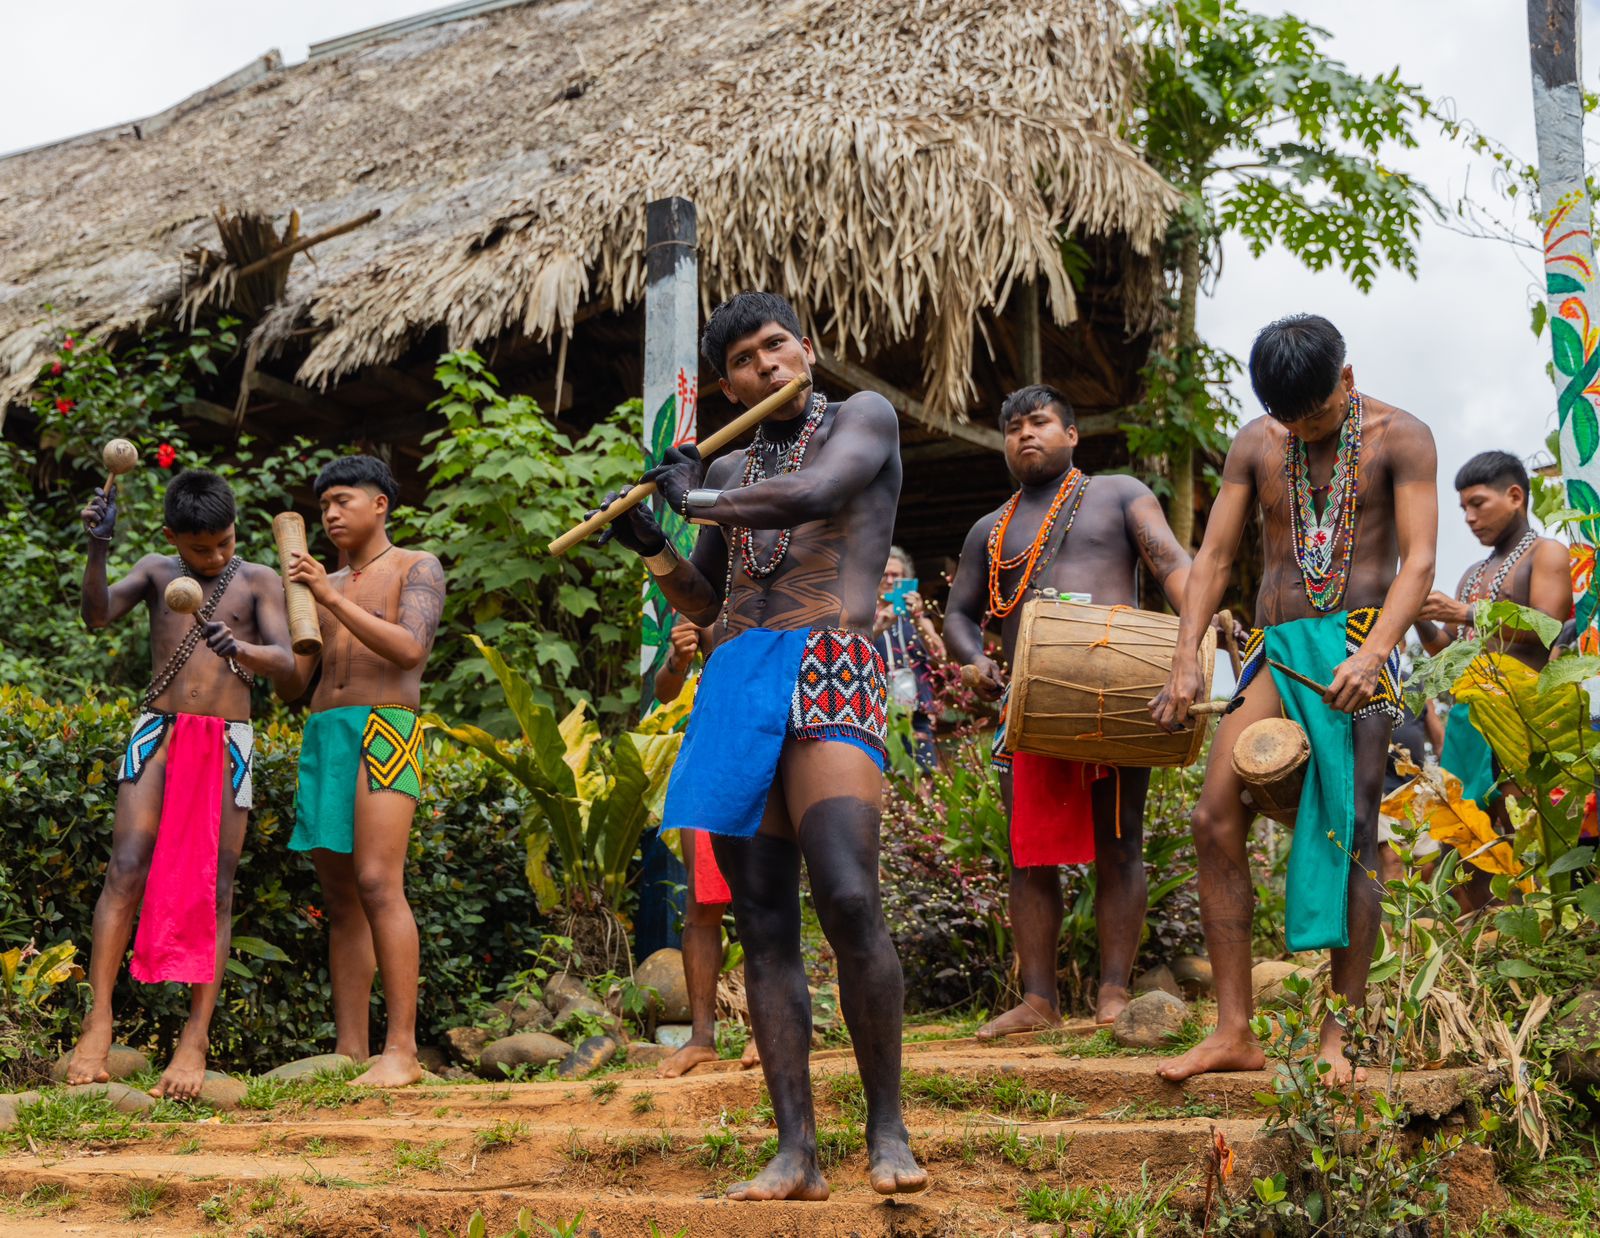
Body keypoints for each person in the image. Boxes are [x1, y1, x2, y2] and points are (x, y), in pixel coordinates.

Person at [596, 290, 925, 1201]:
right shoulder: (731, 460)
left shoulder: (864, 418)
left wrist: (698, 492)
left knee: (850, 897)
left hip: (831, 658)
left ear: (807, 350)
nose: (765, 366)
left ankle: (887, 1127)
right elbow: (704, 602)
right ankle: (796, 1153)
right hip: (738, 676)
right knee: (764, 920)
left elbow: (820, 493)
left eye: (777, 346)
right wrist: (655, 543)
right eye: (744, 360)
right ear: (725, 383)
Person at [1151, 314, 1437, 1083]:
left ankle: (1339, 1038)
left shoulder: (1402, 437)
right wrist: (1187, 657)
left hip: (1360, 642)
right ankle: (1234, 1031)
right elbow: (1212, 557)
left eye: (1315, 416)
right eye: (1288, 419)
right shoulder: (1256, 442)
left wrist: (1376, 654)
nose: (1301, 432)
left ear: (1347, 380)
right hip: (1276, 651)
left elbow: (1419, 561)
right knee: (1213, 815)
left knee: (1357, 826)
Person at [943, 384, 1194, 1035]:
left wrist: (1198, 630)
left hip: (1113, 688)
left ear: (1072, 433)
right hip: (1026, 703)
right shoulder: (987, 530)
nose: (1026, 434)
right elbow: (959, 617)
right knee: (1029, 852)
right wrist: (974, 660)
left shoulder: (1116, 492)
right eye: (1014, 427)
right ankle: (1038, 999)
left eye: (1041, 421)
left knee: (1120, 840)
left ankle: (1113, 991)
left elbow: (1169, 561)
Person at [67, 470, 294, 1100]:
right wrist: (98, 547)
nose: (216, 556)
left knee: (217, 885)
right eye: (200, 548)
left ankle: (195, 1040)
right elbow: (95, 614)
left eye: (224, 542)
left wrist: (241, 649)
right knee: (126, 866)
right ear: (172, 536)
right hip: (157, 734)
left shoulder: (257, 580)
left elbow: (290, 662)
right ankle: (99, 1021)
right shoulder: (154, 570)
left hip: (228, 741)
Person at [277, 456, 446, 1089]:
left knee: (379, 881)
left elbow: (410, 649)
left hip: (386, 727)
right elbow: (296, 683)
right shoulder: (318, 587)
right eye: (323, 507)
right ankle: (349, 1052)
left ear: (381, 504)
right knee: (342, 899)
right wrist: (244, 641)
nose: (330, 514)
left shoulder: (415, 566)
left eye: (343, 500)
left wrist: (327, 596)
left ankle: (400, 1050)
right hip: (325, 731)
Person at [1413, 451, 1569, 904]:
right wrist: (1414, 611)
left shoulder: (1547, 553)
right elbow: (1446, 649)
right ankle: (1484, 943)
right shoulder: (1471, 574)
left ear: (1515, 496)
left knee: (1523, 828)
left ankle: (1541, 933)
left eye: (1478, 503)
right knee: (1463, 833)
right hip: (1469, 720)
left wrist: (1466, 612)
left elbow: (1549, 626)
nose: (1468, 517)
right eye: (1463, 507)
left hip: (1526, 719)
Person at [651, 617, 759, 1077]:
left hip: (763, 746)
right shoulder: (701, 599)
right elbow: (664, 691)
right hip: (709, 753)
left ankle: (767, 1031)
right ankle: (701, 1038)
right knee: (701, 903)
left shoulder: (772, 591)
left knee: (762, 900)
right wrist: (678, 658)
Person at [872, 547, 946, 771]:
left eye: (896, 576)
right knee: (885, 780)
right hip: (878, 708)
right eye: (884, 575)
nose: (890, 580)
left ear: (906, 580)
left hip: (915, 709)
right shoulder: (863, 615)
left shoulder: (916, 617)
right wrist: (883, 620)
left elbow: (939, 656)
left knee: (923, 777)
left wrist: (917, 619)